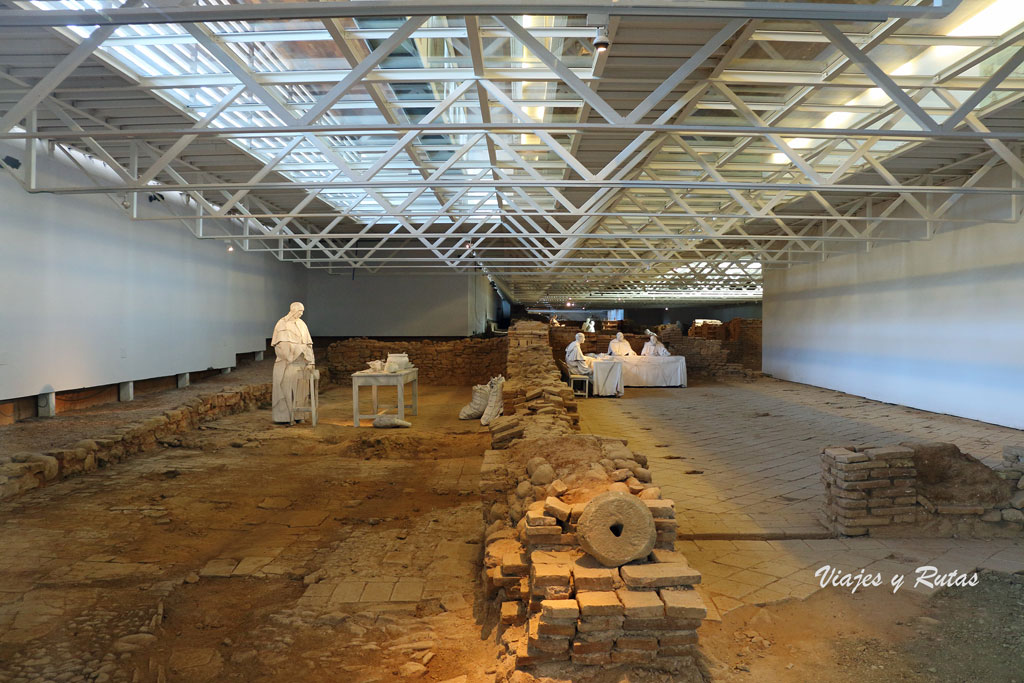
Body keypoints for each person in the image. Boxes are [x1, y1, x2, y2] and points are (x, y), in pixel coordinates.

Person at [271, 302, 315, 423]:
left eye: (302, 311)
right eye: (300, 311)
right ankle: (284, 417)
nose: (301, 313)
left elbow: (308, 344)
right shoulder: (282, 324)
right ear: (293, 310)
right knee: (285, 391)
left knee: (301, 391)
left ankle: (299, 416)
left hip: (301, 363)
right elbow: (282, 346)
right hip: (287, 364)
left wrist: (311, 361)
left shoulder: (302, 324)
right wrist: (297, 349)